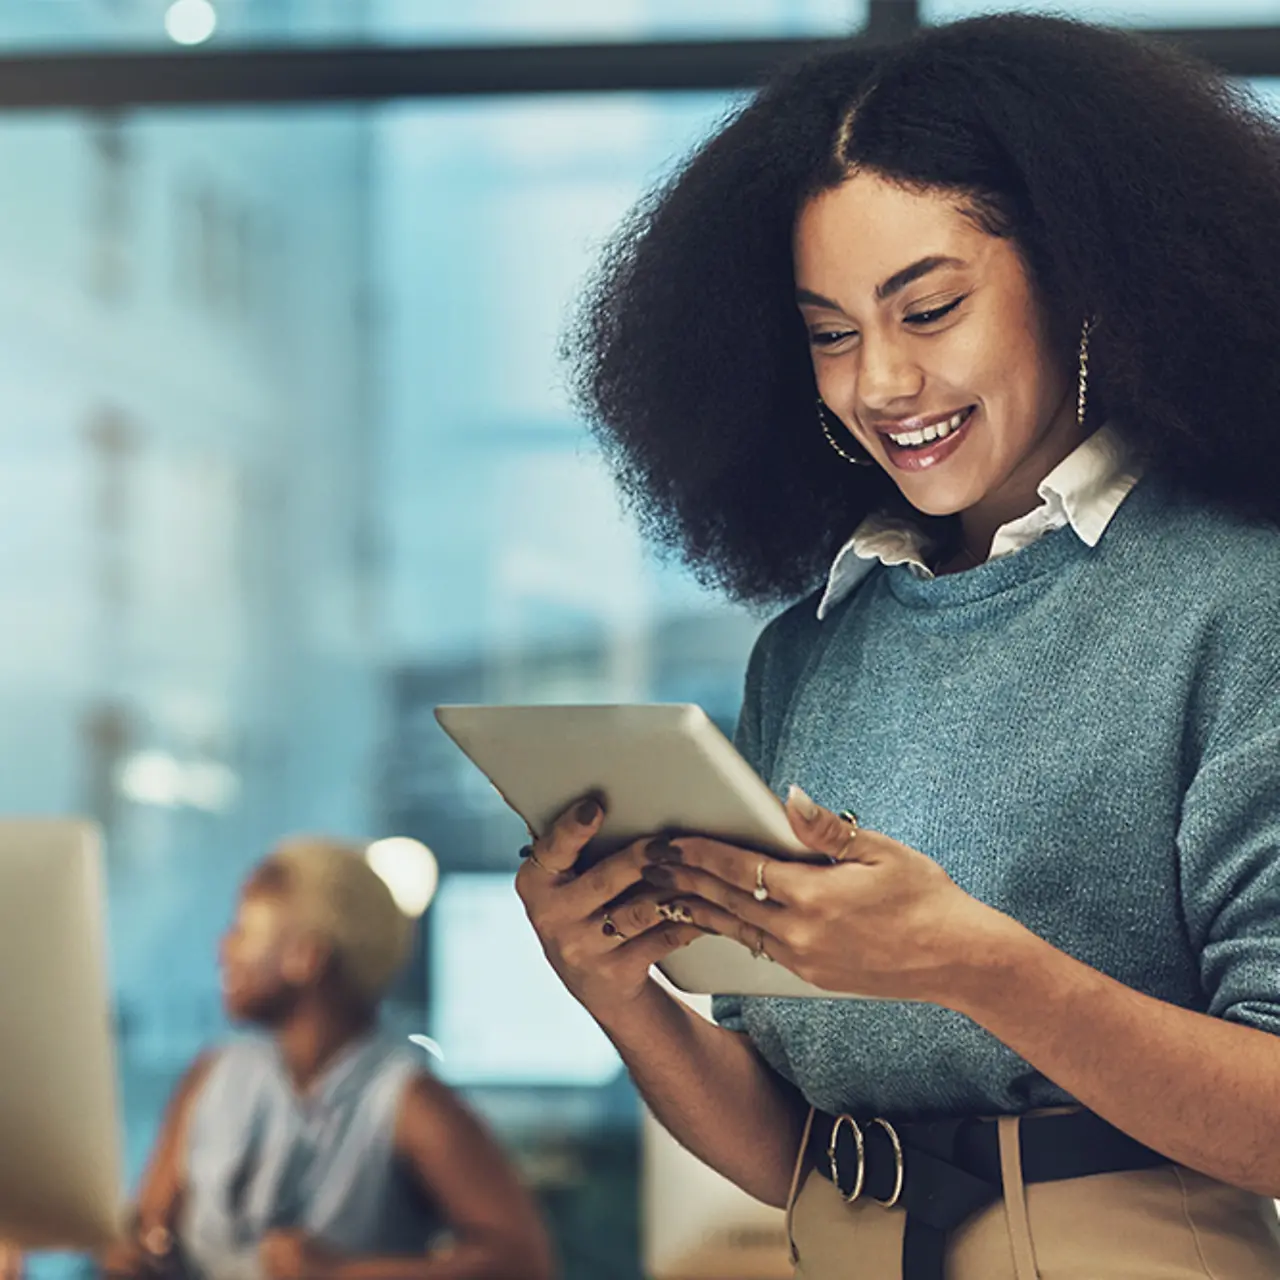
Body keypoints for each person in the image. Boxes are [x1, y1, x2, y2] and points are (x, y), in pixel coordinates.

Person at [518, 13, 1280, 1280]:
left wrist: (975, 965)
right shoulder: (807, 652)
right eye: (829, 332)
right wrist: (612, 986)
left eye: (927, 307)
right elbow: (795, 1147)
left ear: (1081, 277)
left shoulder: (1232, 602)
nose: (880, 382)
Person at [98, 836, 555, 1280]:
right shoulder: (211, 1077)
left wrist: (342, 1274)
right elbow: (147, 1231)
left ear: (305, 957)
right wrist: (132, 1257)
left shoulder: (409, 1101)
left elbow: (522, 1263)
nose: (224, 949)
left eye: (243, 930)